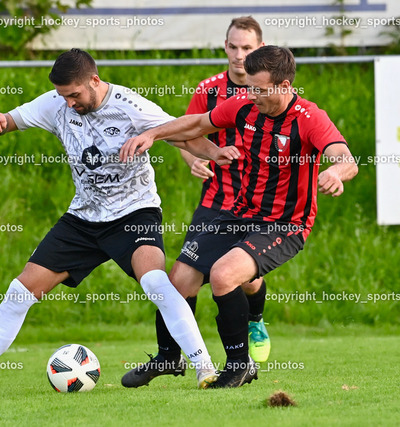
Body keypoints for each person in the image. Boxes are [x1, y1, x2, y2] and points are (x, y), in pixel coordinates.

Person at [0, 48, 239, 399]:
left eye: (74, 95)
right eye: (63, 96)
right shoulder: (56, 103)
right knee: (19, 293)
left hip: (134, 214)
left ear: (94, 81)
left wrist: (214, 153)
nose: (69, 103)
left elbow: (181, 132)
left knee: (156, 282)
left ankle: (204, 369)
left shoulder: (130, 106)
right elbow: (13, 119)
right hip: (83, 219)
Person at [120, 45, 358, 388]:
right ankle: (169, 356)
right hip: (238, 214)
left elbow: (345, 158)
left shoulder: (308, 118)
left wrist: (335, 172)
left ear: (285, 86)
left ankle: (239, 364)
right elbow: (197, 123)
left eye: (260, 89)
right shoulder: (245, 104)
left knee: (224, 275)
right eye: (249, 87)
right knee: (178, 281)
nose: (252, 95)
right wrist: (152, 134)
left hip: (284, 225)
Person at [121, 16, 271, 389]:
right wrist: (193, 160)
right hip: (217, 202)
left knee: (248, 281)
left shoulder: (270, 95)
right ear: (225, 47)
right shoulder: (209, 90)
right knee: (178, 281)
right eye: (233, 47)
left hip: (257, 207)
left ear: (260, 49)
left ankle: (254, 324)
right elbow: (188, 131)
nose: (239, 55)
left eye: (247, 48)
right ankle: (168, 356)